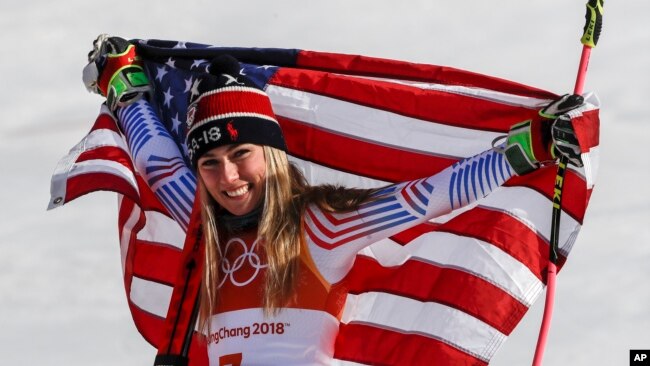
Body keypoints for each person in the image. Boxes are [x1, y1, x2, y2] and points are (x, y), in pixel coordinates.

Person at [85, 36, 588, 365]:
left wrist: (523, 150)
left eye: (242, 154)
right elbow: (158, 164)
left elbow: (422, 199)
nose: (228, 176)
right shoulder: (204, 221)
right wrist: (125, 89)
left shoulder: (318, 227)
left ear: (273, 155)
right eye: (211, 162)